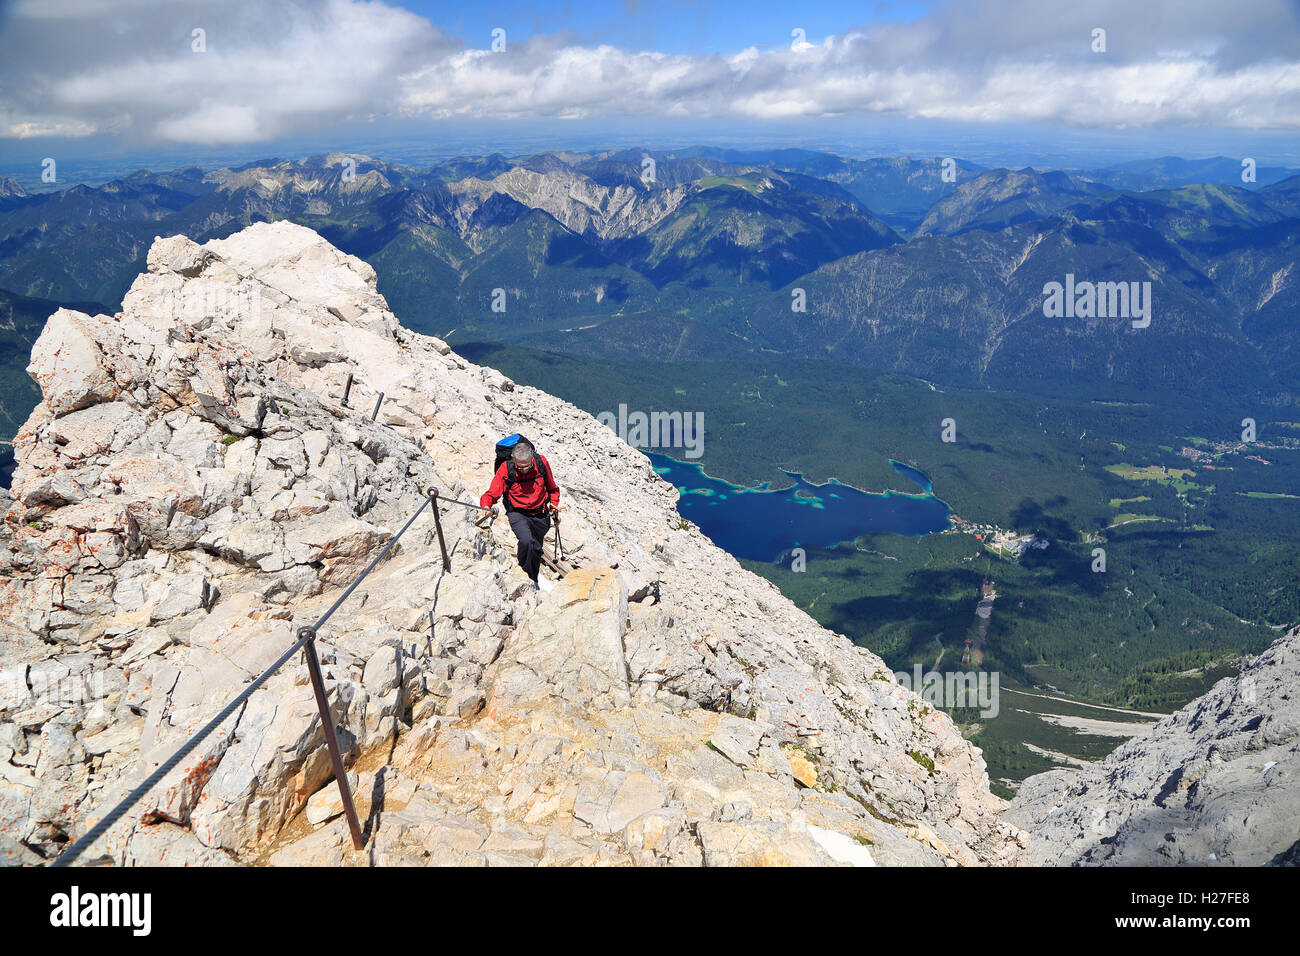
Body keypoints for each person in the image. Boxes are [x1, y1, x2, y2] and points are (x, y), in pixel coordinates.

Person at [480, 440, 561, 584]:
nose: (523, 470)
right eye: (519, 467)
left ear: (532, 459)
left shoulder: (541, 462)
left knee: (536, 548)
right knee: (526, 541)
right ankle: (526, 577)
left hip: (541, 514)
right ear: (513, 459)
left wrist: (554, 505)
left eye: (527, 467)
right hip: (518, 513)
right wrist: (486, 506)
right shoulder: (506, 468)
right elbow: (493, 492)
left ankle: (533, 579)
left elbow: (553, 488)